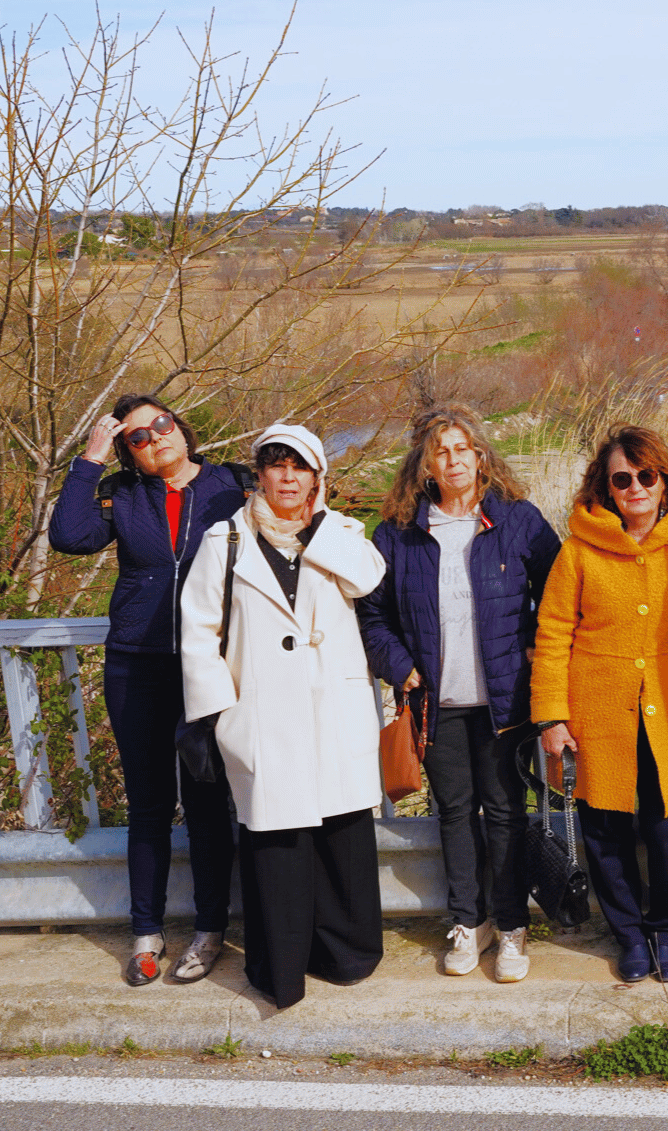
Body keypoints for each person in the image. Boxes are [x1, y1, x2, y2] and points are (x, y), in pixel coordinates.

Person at [179, 423, 388, 1010]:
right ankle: (282, 966)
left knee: (342, 836)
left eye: (300, 467)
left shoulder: (343, 532)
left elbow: (370, 578)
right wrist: (222, 715)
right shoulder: (225, 539)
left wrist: (319, 525)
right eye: (276, 465)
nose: (288, 477)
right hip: (263, 713)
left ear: (319, 477)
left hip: (333, 710)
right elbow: (198, 633)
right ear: (260, 474)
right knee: (277, 841)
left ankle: (347, 955)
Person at [532, 426, 668, 983]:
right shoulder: (579, 549)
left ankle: (665, 929)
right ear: (606, 488)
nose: (635, 487)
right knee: (603, 823)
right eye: (621, 479)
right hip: (597, 705)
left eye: (645, 476)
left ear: (664, 479)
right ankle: (627, 934)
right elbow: (553, 632)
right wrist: (552, 718)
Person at [47, 395, 247, 986]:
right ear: (129, 454)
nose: (155, 436)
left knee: (210, 801)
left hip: (209, 664)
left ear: (180, 427)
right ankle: (146, 933)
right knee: (150, 805)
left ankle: (210, 930)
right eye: (137, 437)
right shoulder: (123, 494)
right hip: (137, 663)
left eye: (161, 424)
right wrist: (89, 459)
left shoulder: (230, 487)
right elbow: (70, 536)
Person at [358, 405, 560, 981]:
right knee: (453, 813)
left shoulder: (518, 520)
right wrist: (401, 667)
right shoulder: (397, 534)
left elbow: (560, 590)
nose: (452, 460)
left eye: (462, 448)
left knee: (503, 813)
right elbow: (371, 615)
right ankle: (469, 923)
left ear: (480, 456)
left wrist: (534, 644)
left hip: (504, 699)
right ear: (425, 463)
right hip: (436, 703)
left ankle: (512, 925)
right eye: (440, 450)